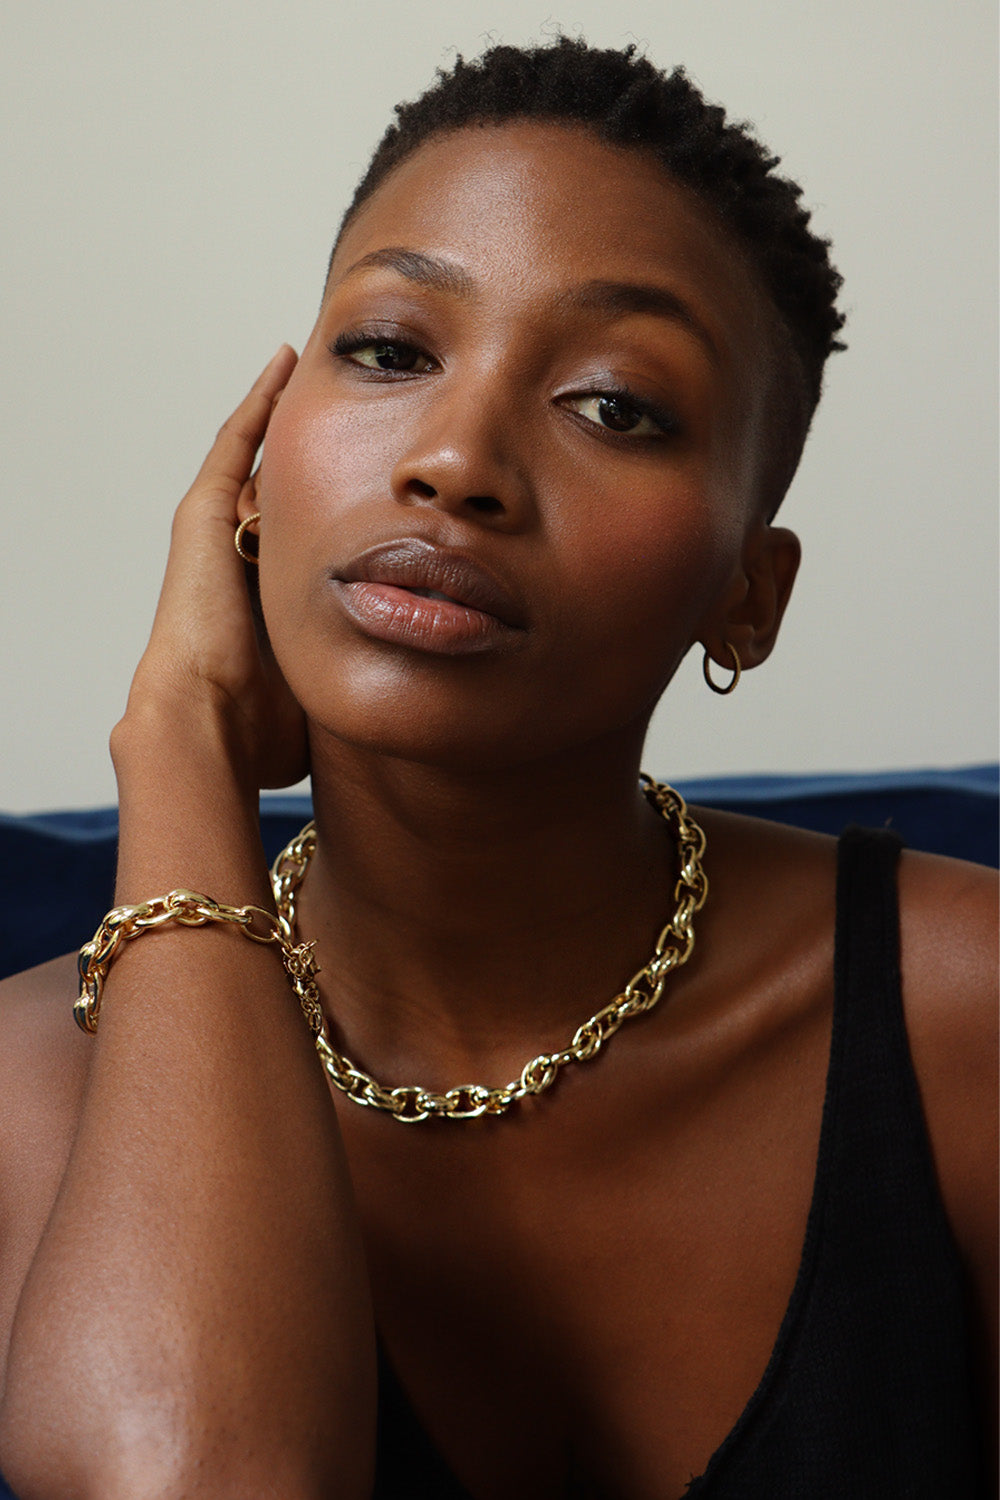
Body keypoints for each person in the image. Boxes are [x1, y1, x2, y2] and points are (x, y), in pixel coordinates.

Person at [0, 37, 994, 1500]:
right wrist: (181, 749)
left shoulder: (966, 1021)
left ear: (749, 595)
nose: (457, 458)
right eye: (393, 351)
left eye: (614, 405)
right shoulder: (37, 1088)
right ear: (255, 473)